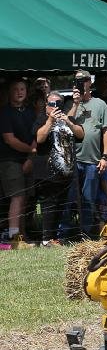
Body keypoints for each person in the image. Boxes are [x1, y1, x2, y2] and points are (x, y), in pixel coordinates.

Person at [32, 90, 83, 246]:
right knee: (49, 205)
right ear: (46, 105)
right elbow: (39, 138)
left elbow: (80, 134)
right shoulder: (41, 119)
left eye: (57, 104)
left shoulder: (68, 118)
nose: (54, 107)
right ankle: (46, 239)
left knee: (62, 205)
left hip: (67, 173)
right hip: (48, 172)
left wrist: (68, 121)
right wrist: (50, 121)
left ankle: (55, 237)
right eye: (51, 104)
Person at [67, 71, 107, 239]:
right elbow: (67, 123)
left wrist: (105, 156)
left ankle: (85, 233)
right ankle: (65, 232)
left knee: (88, 198)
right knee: (70, 197)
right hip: (74, 160)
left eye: (83, 80)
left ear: (89, 82)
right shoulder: (70, 104)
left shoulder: (100, 104)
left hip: (93, 160)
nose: (80, 83)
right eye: (77, 80)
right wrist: (75, 104)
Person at [0, 79, 40, 246]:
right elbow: (10, 140)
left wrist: (31, 158)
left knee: (25, 199)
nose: (19, 92)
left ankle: (22, 235)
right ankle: (14, 237)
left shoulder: (31, 112)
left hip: (28, 160)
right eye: (16, 89)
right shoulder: (5, 113)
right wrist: (30, 151)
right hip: (10, 160)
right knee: (17, 198)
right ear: (10, 92)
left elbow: (38, 135)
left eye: (22, 89)